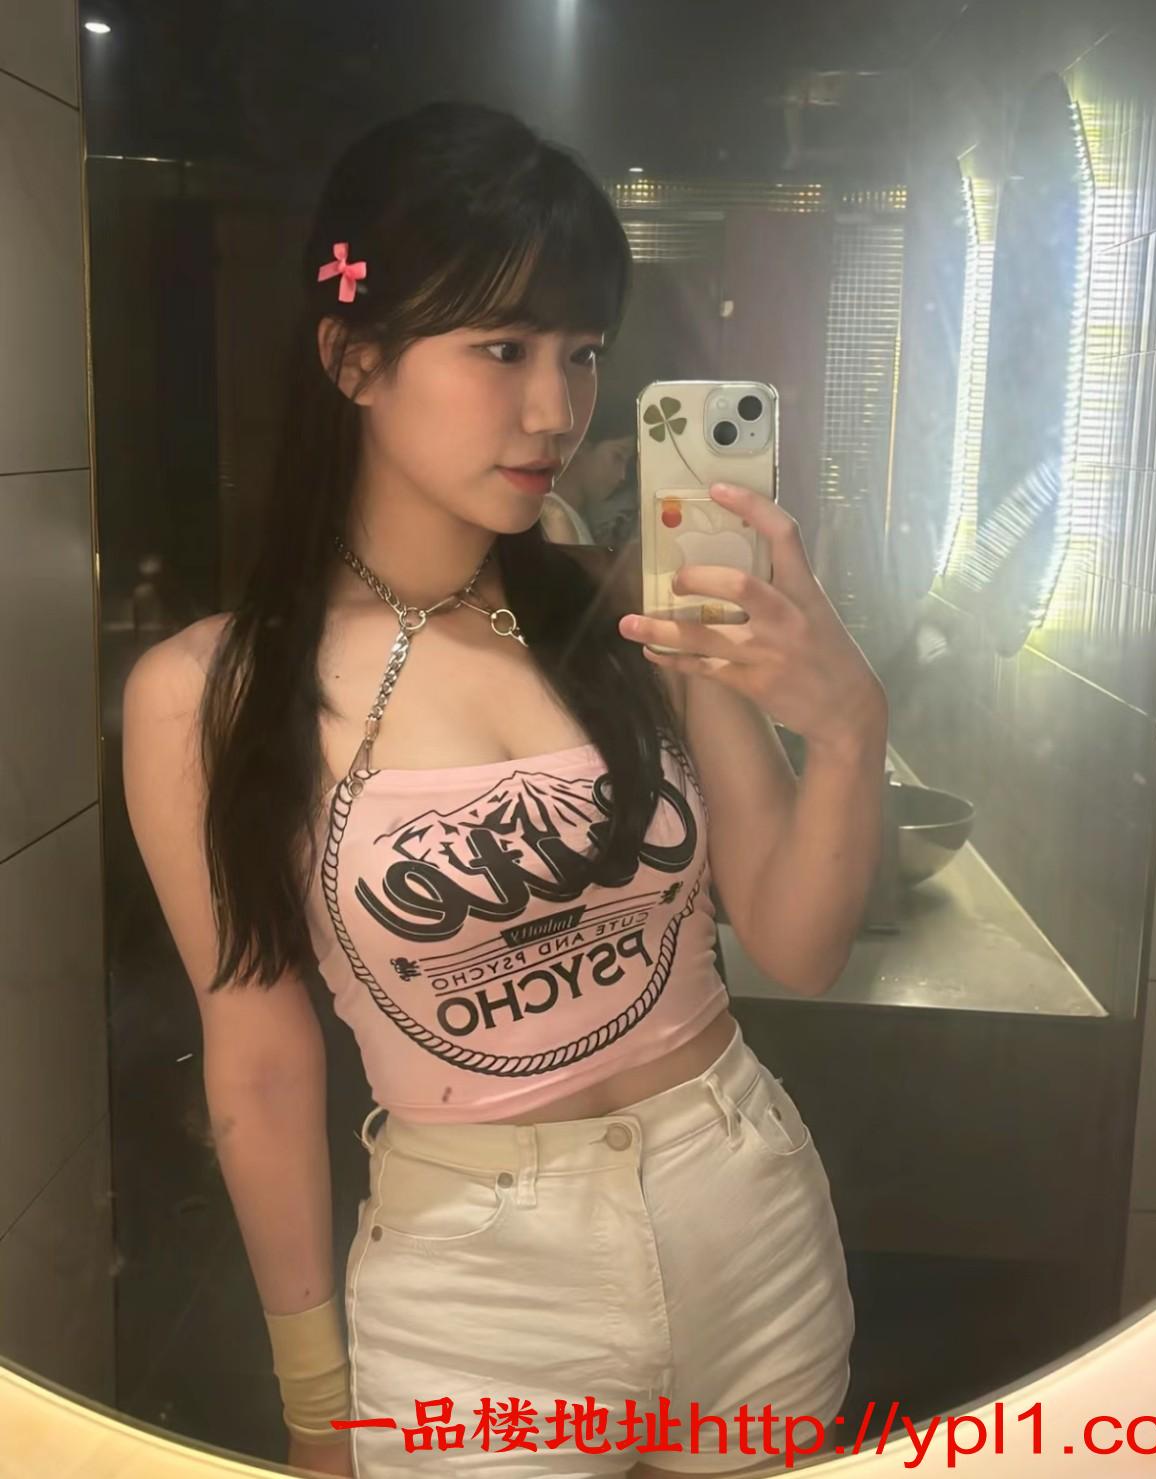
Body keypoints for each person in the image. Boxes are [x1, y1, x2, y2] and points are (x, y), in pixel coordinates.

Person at [122, 101, 888, 1479]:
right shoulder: (210, 692)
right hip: (473, 1291)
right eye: (501, 348)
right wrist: (316, 1403)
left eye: (581, 352)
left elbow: (799, 941)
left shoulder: (632, 611)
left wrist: (849, 730)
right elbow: (263, 1064)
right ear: (353, 356)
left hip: (747, 1218)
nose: (555, 409)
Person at [539, 417, 637, 546]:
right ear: (581, 446)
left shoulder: (578, 516)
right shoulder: (555, 517)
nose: (622, 475)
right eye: (617, 457)